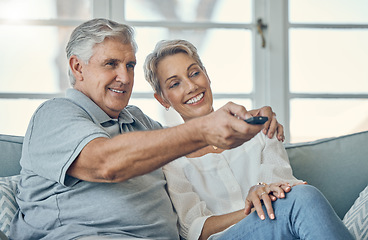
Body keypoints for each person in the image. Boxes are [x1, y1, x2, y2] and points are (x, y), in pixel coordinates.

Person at [9, 19, 283, 240]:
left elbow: (192, 147)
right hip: (90, 236)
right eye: (111, 64)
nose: (125, 78)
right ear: (77, 67)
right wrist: (203, 129)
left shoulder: (139, 122)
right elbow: (107, 163)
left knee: (297, 205)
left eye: (129, 65)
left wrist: (254, 122)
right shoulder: (55, 115)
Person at [143, 39, 354, 240]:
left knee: (303, 197)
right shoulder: (171, 159)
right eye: (175, 84)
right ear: (162, 99)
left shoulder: (259, 129)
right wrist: (251, 208)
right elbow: (196, 230)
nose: (191, 87)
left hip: (280, 230)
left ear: (207, 75)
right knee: (305, 198)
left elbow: (284, 187)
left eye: (195, 73)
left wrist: (264, 191)